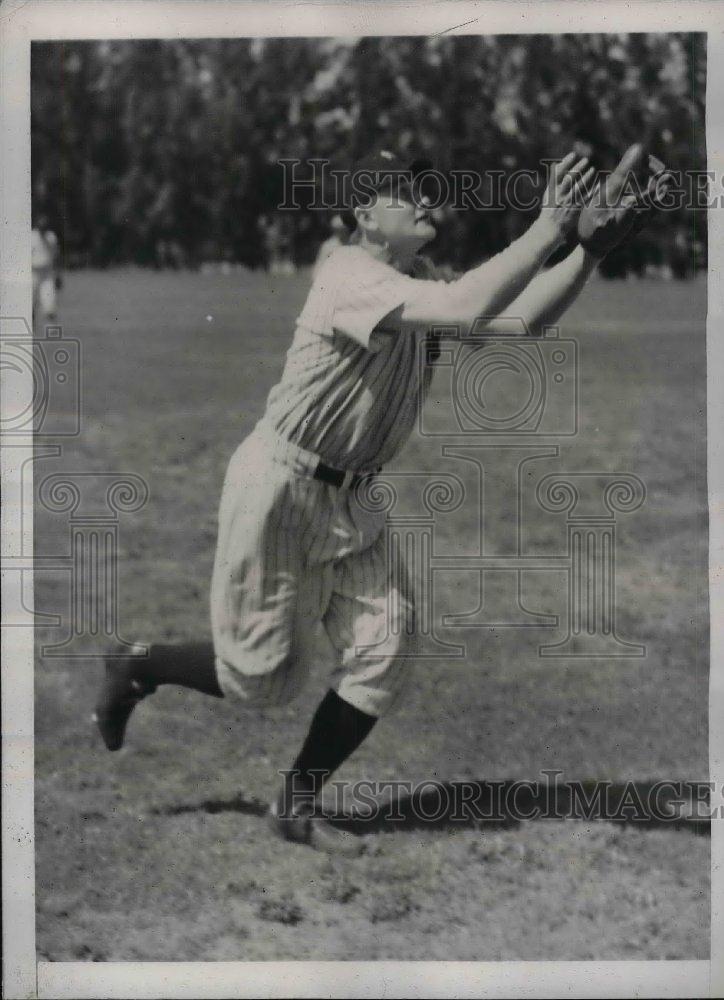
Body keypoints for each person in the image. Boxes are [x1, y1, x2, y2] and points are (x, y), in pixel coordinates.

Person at [94, 145, 665, 856]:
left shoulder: (416, 277)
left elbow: (513, 324)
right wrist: (551, 228)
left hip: (353, 498)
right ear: (364, 214)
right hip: (280, 485)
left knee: (386, 645)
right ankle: (138, 661)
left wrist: (585, 255)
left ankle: (297, 807)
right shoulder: (349, 274)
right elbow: (465, 303)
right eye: (404, 191)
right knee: (262, 681)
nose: (426, 200)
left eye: (428, 189)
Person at [32, 215, 61, 324]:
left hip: (47, 273)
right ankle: (31, 326)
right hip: (33, 273)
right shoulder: (31, 237)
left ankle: (52, 329)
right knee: (30, 301)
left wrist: (58, 274)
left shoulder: (51, 237)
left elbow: (56, 256)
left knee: (49, 301)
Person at [312, 213, 350, 278]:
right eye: (338, 229)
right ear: (333, 230)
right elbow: (319, 265)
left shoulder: (352, 243)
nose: (341, 231)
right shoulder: (328, 245)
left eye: (343, 229)